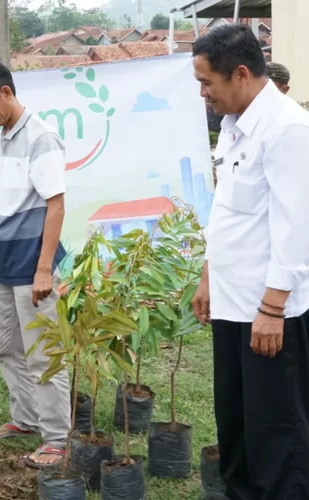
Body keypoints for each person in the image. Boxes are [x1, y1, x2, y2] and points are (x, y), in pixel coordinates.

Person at [191, 24, 309, 500]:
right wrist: (206, 276)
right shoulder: (234, 126)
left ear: (240, 74)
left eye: (207, 82)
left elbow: (296, 226)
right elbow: (228, 213)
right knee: (236, 426)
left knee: (277, 436)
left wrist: (273, 308)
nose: (203, 93)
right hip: (233, 306)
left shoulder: (286, 130)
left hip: (270, 315)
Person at [0, 61, 71, 469]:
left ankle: (57, 439)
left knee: (44, 353)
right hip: (3, 263)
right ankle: (25, 420)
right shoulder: (2, 138)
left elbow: (55, 206)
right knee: (6, 347)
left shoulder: (41, 138)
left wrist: (43, 269)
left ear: (7, 92)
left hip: (32, 266)